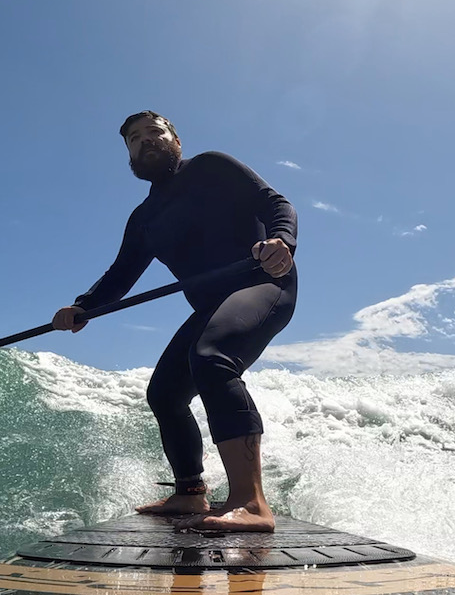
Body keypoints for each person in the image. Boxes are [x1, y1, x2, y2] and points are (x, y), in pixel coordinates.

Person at [52, 111, 298, 532]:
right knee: (164, 393)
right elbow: (120, 276)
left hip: (264, 282)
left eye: (154, 132)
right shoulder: (144, 218)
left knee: (212, 357)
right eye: (134, 139)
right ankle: (190, 493)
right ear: (128, 154)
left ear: (176, 139)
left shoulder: (211, 167)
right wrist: (82, 307)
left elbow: (276, 203)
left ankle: (252, 504)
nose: (145, 141)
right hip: (209, 308)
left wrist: (282, 241)